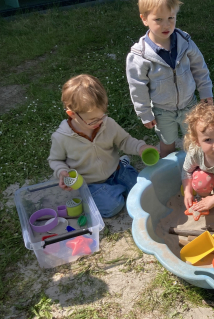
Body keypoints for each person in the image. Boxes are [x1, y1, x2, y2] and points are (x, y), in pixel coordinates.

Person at [48, 74, 157, 218]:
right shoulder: (61, 137)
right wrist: (62, 171)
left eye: (102, 116)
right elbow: (55, 160)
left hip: (116, 170)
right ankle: (103, 194)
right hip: (90, 183)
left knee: (143, 192)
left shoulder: (107, 123)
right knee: (112, 207)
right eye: (93, 120)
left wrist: (140, 148)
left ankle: (121, 178)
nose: (99, 122)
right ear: (72, 114)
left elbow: (124, 140)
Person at [126, 0, 213, 159]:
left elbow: (199, 67)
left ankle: (196, 171)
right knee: (167, 143)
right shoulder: (140, 55)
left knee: (195, 140)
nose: (166, 25)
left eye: (171, 18)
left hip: (189, 103)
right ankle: (170, 172)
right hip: (162, 110)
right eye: (158, 20)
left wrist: (205, 91)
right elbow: (137, 86)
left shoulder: (184, 42)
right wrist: (144, 112)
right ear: (144, 19)